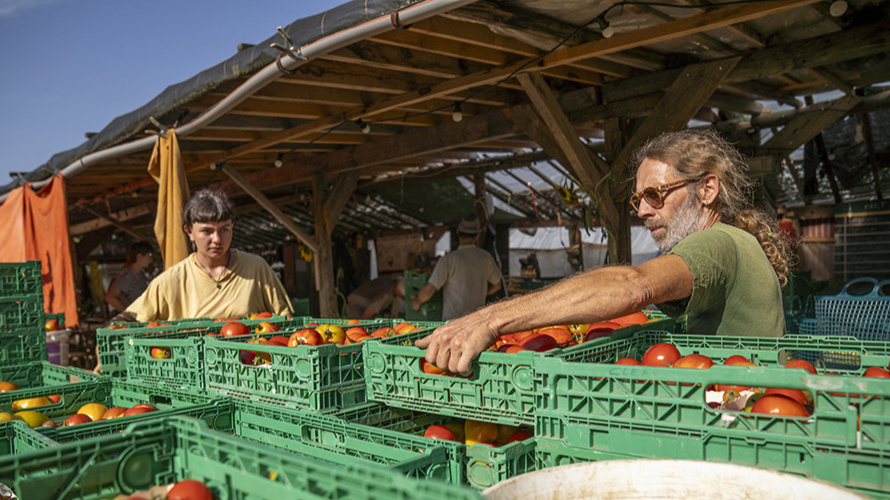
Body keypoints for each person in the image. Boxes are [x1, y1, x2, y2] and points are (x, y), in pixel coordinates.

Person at [417, 129, 791, 375]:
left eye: (655, 195)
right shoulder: (735, 242)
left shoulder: (717, 242)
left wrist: (490, 320)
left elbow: (634, 286)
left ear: (707, 190)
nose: (643, 211)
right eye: (639, 199)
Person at [109, 189, 293, 323]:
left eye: (225, 229)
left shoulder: (256, 268)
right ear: (189, 231)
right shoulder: (171, 281)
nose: (217, 239)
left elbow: (286, 319)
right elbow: (131, 316)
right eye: (207, 231)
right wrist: (113, 329)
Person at [411, 215, 503, 321]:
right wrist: (481, 293)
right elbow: (497, 285)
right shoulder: (486, 258)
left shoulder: (449, 260)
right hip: (477, 322)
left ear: (458, 232)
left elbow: (429, 290)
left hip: (453, 324)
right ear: (477, 235)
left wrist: (417, 301)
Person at [104, 241, 154, 313]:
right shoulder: (127, 276)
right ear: (139, 256)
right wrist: (127, 313)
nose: (151, 260)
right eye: (149, 256)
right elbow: (110, 297)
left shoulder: (142, 275)